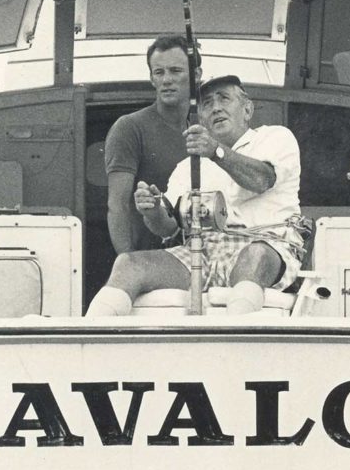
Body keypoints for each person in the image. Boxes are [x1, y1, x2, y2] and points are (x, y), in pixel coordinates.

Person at [87, 75, 306, 316]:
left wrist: (216, 151)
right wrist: (152, 210)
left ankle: (234, 341)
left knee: (255, 256)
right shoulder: (187, 166)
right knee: (127, 265)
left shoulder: (275, 137)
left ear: (247, 109)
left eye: (224, 99)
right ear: (201, 118)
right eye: (207, 104)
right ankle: (87, 340)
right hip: (200, 252)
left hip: (266, 245)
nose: (216, 108)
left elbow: (261, 180)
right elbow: (167, 228)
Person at [104, 34, 200, 255]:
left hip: (206, 256)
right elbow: (117, 206)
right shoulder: (129, 128)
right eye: (159, 72)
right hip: (149, 256)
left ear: (196, 76)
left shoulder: (209, 129)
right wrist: (128, 262)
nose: (167, 80)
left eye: (176, 71)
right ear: (152, 79)